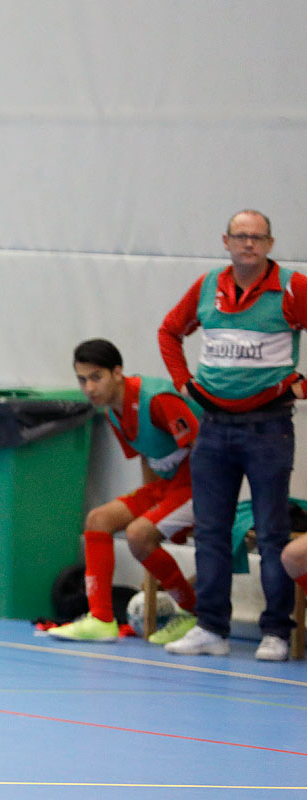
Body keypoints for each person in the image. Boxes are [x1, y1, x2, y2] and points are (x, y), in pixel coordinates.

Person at [157, 209, 306, 661]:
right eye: (240, 237)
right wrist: (183, 382)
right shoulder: (207, 287)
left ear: (270, 244)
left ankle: (277, 632)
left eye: (257, 238)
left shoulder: (292, 288)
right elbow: (169, 331)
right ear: (225, 241)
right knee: (212, 531)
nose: (248, 245)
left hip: (269, 429)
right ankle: (211, 628)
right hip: (214, 429)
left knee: (273, 533)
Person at [47, 339, 201, 644]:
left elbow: (203, 450)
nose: (89, 388)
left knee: (138, 535)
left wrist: (182, 515)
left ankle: (194, 610)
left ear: (118, 373)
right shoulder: (113, 412)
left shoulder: (157, 401)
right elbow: (147, 457)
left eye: (96, 377)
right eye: (82, 380)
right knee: (98, 520)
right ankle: (101, 619)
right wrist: (154, 510)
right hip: (168, 485)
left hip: (202, 484)